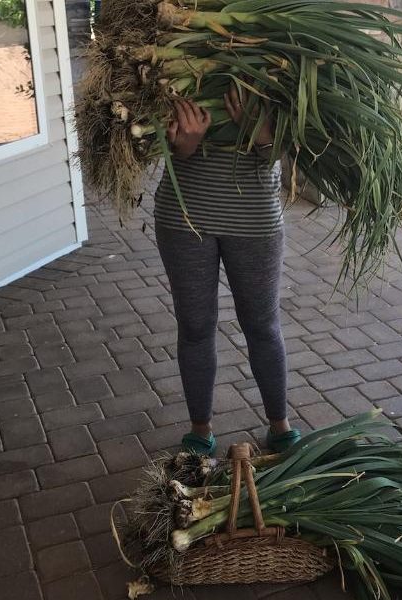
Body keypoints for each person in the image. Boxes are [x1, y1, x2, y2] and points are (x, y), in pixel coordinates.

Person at [153, 86, 300, 456]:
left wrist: (268, 140)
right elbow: (145, 133)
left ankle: (279, 424)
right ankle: (200, 430)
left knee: (262, 325)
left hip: (255, 218)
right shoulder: (177, 55)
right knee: (195, 325)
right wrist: (179, 146)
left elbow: (301, 139)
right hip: (184, 215)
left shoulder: (275, 51)